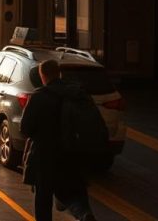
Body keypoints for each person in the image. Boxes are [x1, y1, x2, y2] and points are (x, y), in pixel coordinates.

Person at [20, 59, 97, 221]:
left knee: (43, 197)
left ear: (43, 76)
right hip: (72, 153)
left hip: (45, 155)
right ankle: (84, 214)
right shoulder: (76, 94)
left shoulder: (39, 97)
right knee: (72, 191)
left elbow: (25, 129)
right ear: (59, 74)